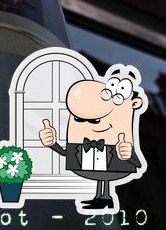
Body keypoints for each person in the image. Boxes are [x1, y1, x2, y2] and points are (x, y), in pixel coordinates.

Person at [39, 67, 146, 212]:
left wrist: (127, 155)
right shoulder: (81, 143)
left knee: (105, 176)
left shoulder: (120, 142)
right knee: (102, 176)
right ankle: (101, 198)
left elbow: (137, 163)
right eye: (79, 119)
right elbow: (66, 153)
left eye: (95, 120)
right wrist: (52, 143)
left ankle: (105, 198)